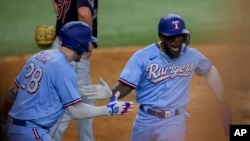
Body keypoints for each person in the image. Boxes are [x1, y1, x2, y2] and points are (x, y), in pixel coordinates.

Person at [82, 14, 232, 141]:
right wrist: (110, 92)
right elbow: (126, 86)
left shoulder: (192, 55)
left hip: (174, 120)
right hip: (144, 120)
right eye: (171, 36)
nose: (176, 40)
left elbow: (209, 70)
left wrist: (222, 101)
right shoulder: (142, 57)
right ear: (161, 37)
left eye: (179, 35)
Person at [3, 21, 134, 141]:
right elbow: (76, 111)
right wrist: (108, 110)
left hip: (12, 127)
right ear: (80, 45)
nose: (89, 47)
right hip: (31, 133)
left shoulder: (38, 56)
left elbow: (12, 92)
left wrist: (4, 121)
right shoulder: (64, 69)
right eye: (87, 43)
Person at [50, 0, 98, 140]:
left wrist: (62, 23)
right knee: (70, 102)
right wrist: (86, 39)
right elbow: (84, 13)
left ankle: (86, 138)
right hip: (74, 48)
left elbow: (55, 2)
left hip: (62, 41)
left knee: (87, 96)